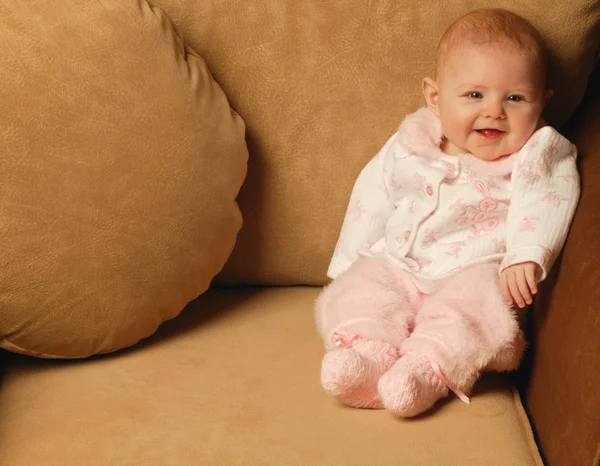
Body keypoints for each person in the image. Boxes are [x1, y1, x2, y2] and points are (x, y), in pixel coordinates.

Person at [315, 8, 580, 418]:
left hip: (473, 269)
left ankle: (425, 370)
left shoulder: (536, 151)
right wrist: (351, 260)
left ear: (541, 101)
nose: (494, 111)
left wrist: (527, 252)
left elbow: (549, 196)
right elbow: (372, 196)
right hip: (399, 261)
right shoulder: (410, 143)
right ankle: (366, 354)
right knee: (362, 287)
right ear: (435, 98)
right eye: (475, 95)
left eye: (514, 98)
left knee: (478, 310)